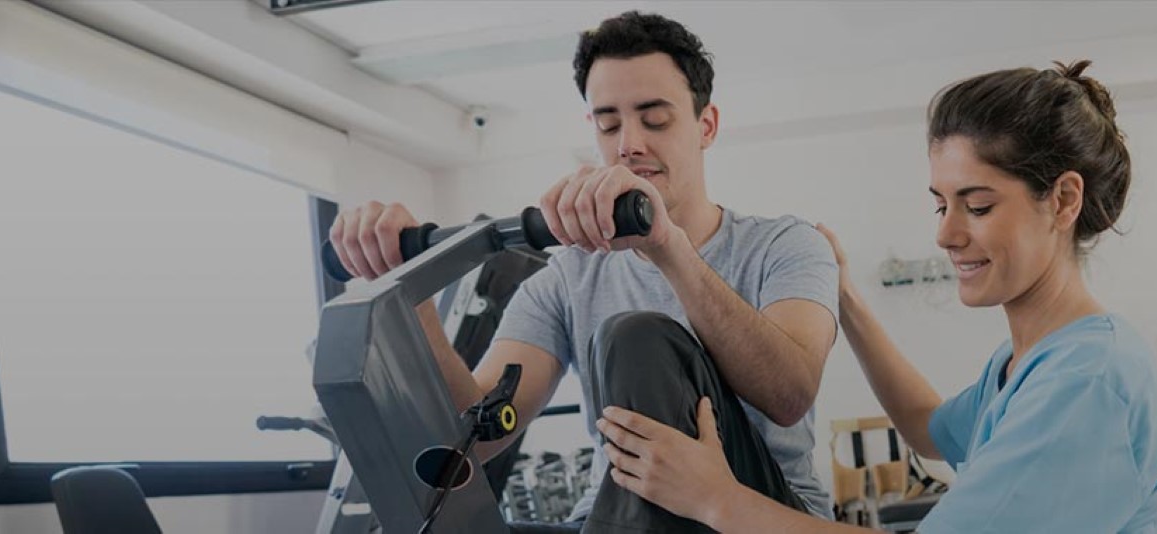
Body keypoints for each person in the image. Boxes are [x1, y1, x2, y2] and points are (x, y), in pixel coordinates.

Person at [591, 60, 1157, 533]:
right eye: (940, 204)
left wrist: (716, 499)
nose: (946, 234)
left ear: (1063, 200)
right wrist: (844, 295)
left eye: (977, 206)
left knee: (638, 342)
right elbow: (927, 428)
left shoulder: (1088, 380)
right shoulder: (1023, 364)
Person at [327, 10, 841, 531]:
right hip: (609, 517)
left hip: (757, 512)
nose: (629, 144)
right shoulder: (566, 278)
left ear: (705, 126)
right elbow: (478, 437)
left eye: (654, 118)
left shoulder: (786, 245)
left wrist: (668, 247)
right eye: (609, 122)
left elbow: (788, 395)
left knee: (638, 336)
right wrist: (410, 290)